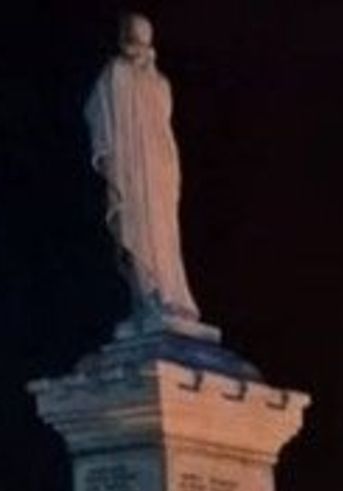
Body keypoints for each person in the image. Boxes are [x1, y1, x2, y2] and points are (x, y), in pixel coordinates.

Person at [85, 13, 201, 326]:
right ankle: (147, 297)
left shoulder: (161, 83)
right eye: (134, 35)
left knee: (163, 236)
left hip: (159, 172)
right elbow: (95, 110)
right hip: (131, 169)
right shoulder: (114, 73)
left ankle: (169, 296)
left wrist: (169, 169)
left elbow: (164, 130)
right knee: (135, 228)